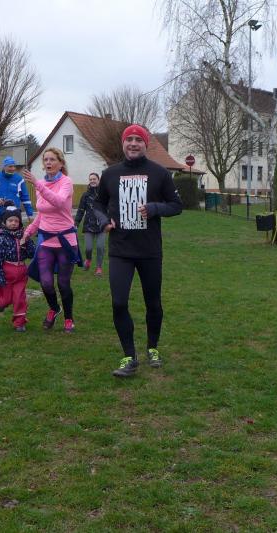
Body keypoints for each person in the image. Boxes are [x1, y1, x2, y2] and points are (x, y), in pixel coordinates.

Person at [93, 124, 183, 378]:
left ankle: (152, 347)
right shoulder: (110, 174)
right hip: (120, 250)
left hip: (149, 250)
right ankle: (129, 356)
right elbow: (97, 204)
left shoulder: (160, 173)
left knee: (152, 303)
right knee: (119, 302)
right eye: (129, 139)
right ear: (123, 143)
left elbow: (176, 205)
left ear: (145, 144)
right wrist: (103, 221)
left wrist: (154, 208)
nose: (133, 143)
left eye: (138, 140)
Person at [20, 147, 81, 333]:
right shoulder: (40, 185)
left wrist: (38, 185)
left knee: (63, 283)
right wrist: (28, 232)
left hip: (65, 241)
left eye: (52, 159)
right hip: (46, 240)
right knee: (46, 282)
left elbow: (59, 202)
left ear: (61, 163)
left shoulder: (66, 182)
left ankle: (69, 318)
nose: (48, 162)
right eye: (45, 159)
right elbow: (42, 214)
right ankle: (54, 309)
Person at [0, 205, 35, 332]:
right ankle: (1, 303)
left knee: (19, 298)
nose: (13, 223)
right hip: (6, 273)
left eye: (16, 221)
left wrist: (27, 242)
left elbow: (32, 254)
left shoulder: (23, 236)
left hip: (21, 272)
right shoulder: (0, 239)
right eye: (10, 221)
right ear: (5, 222)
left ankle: (19, 322)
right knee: (6, 300)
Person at [0, 156, 34, 228]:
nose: (13, 169)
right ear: (4, 166)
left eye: (14, 166)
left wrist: (30, 214)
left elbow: (25, 198)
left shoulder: (19, 179)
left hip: (15, 217)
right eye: (10, 166)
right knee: (0, 235)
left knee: (17, 235)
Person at [74, 172, 107, 276]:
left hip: (102, 225)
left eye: (94, 179)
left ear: (98, 180)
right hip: (89, 225)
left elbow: (110, 208)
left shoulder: (104, 194)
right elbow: (81, 210)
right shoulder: (85, 195)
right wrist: (76, 222)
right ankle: (88, 259)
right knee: (88, 248)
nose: (92, 181)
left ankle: (99, 268)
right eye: (91, 179)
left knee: (100, 247)